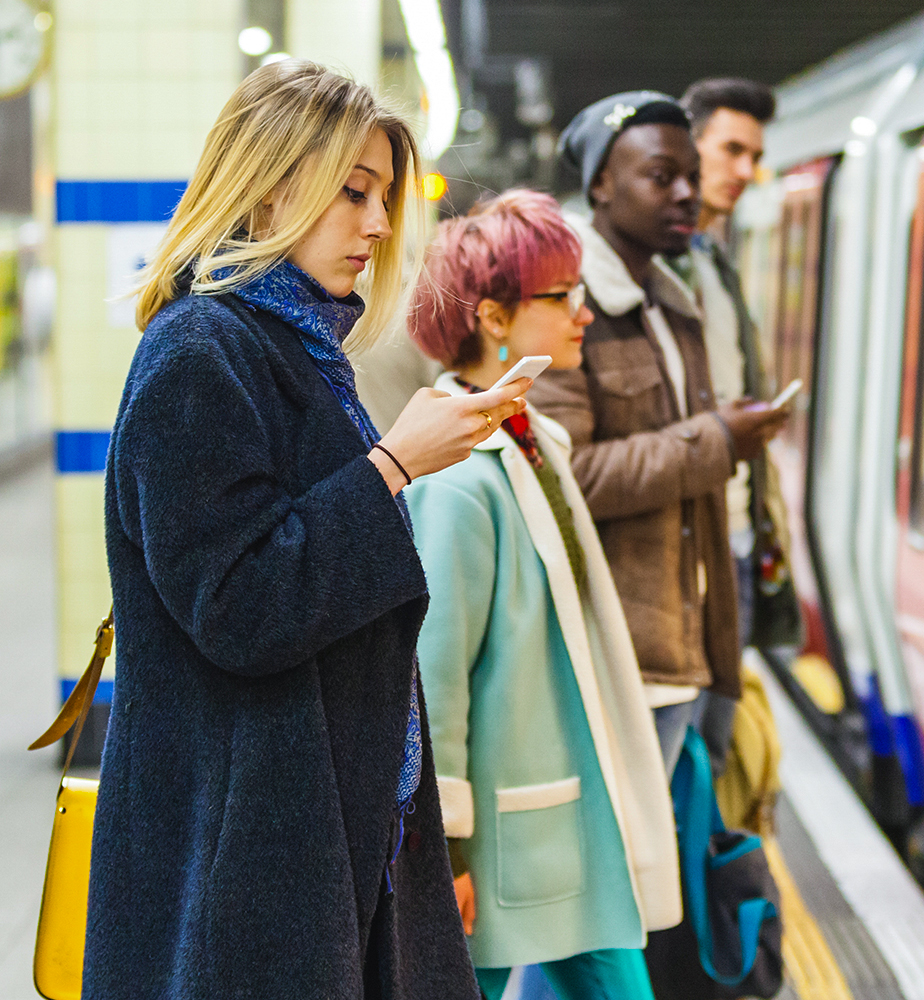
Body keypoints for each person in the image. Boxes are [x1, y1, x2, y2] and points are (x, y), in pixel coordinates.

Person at [94, 60, 531, 999]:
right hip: (245, 855)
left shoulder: (292, 344)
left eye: (381, 197)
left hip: (321, 827)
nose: (376, 227)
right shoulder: (197, 355)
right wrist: (395, 464)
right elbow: (241, 607)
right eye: (352, 192)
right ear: (268, 185)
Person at [405, 189, 680, 1000]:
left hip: (553, 816)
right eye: (560, 297)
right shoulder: (459, 482)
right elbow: (435, 672)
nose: (583, 313)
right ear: (492, 318)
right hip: (503, 833)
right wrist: (446, 846)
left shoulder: (529, 437)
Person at [531, 91, 788, 775]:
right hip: (622, 658)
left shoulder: (671, 306)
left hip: (689, 640)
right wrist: (720, 442)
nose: (685, 194)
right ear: (601, 186)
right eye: (659, 176)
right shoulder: (565, 304)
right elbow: (565, 476)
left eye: (690, 178)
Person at [677, 76, 798, 773]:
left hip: (737, 537)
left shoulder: (714, 262)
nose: (747, 172)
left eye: (755, 155)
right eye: (732, 150)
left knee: (714, 754)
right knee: (690, 760)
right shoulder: (647, 271)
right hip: (691, 550)